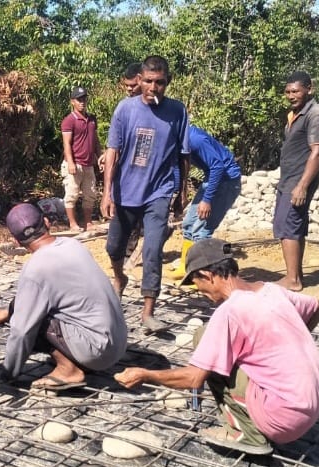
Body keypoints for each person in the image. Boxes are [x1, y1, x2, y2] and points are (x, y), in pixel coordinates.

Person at [114, 238, 319, 455]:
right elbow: (317, 306)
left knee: (211, 363)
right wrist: (292, 340)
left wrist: (146, 375)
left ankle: (247, 435)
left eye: (199, 285)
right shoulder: (272, 290)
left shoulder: (230, 311)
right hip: (313, 407)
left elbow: (194, 379)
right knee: (206, 336)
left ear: (208, 276)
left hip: (283, 421)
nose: (202, 293)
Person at [0, 203, 127, 390]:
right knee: (34, 305)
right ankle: (78, 359)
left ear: (15, 241)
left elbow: (21, 331)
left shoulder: (35, 269)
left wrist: (8, 374)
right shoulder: (73, 245)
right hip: (118, 342)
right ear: (47, 222)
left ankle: (68, 369)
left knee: (32, 319)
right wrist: (9, 310)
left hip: (98, 352)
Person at [101, 55, 190, 333]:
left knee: (152, 250)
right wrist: (106, 193)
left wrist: (183, 190)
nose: (154, 87)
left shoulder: (177, 111)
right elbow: (112, 151)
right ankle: (119, 278)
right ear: (139, 80)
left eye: (160, 82)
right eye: (149, 81)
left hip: (159, 192)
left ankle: (147, 312)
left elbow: (183, 153)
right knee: (114, 247)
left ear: (168, 82)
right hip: (125, 191)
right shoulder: (125, 110)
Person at [165, 125, 243, 281]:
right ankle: (185, 267)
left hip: (227, 181)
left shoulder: (195, 139)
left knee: (201, 230)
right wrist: (177, 195)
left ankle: (200, 275)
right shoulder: (174, 140)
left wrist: (207, 200)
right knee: (189, 223)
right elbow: (177, 167)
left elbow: (218, 166)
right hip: (212, 178)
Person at [274, 71, 319, 292]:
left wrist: (302, 185)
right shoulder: (295, 113)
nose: (290, 95)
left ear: (309, 89)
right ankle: (296, 274)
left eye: (295, 91)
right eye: (287, 91)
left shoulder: (316, 115)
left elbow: (317, 153)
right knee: (294, 226)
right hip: (289, 179)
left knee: (287, 227)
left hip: (298, 180)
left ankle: (292, 281)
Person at [61, 87, 101, 232]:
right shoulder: (69, 121)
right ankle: (73, 224)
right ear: (73, 102)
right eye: (79, 99)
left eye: (84, 99)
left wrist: (100, 156)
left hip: (88, 163)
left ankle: (88, 222)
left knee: (90, 194)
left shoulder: (91, 119)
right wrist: (70, 162)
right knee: (72, 194)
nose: (82, 102)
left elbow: (95, 140)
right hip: (75, 163)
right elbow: (67, 143)